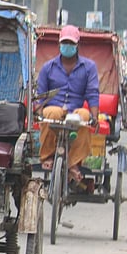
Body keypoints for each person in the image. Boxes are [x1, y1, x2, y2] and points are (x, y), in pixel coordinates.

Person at [36, 24, 100, 184]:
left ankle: (74, 163)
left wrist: (94, 116)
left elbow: (92, 93)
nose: (68, 47)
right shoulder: (48, 67)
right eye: (65, 43)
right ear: (59, 45)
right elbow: (41, 95)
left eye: (71, 44)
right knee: (52, 112)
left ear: (77, 45)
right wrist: (38, 111)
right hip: (54, 108)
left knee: (84, 116)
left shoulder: (89, 67)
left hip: (75, 110)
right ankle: (48, 156)